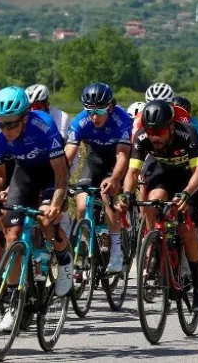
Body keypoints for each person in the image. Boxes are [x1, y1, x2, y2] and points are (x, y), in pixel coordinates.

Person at [0, 86, 73, 331]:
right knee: (11, 237)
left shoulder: (43, 126)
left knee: (46, 221)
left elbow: (61, 176)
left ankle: (65, 261)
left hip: (52, 174)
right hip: (25, 175)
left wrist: (55, 205)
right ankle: (13, 303)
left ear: (24, 117)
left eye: (12, 124)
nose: (6, 130)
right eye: (2, 124)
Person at [116, 100, 198, 311]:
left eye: (159, 132)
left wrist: (186, 193)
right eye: (150, 131)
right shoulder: (142, 136)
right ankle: (156, 245)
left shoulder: (188, 134)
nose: (154, 137)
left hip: (189, 178)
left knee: (187, 231)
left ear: (171, 127)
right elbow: (131, 172)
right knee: (151, 200)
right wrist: (127, 194)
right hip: (163, 173)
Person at [65, 83, 132, 273]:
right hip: (95, 159)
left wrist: (115, 179)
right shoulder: (80, 121)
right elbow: (68, 156)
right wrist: (58, 179)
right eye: (90, 111)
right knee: (81, 204)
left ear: (109, 107)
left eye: (100, 111)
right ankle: (86, 246)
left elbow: (122, 157)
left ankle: (116, 251)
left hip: (117, 159)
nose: (94, 117)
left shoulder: (122, 119)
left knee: (107, 195)